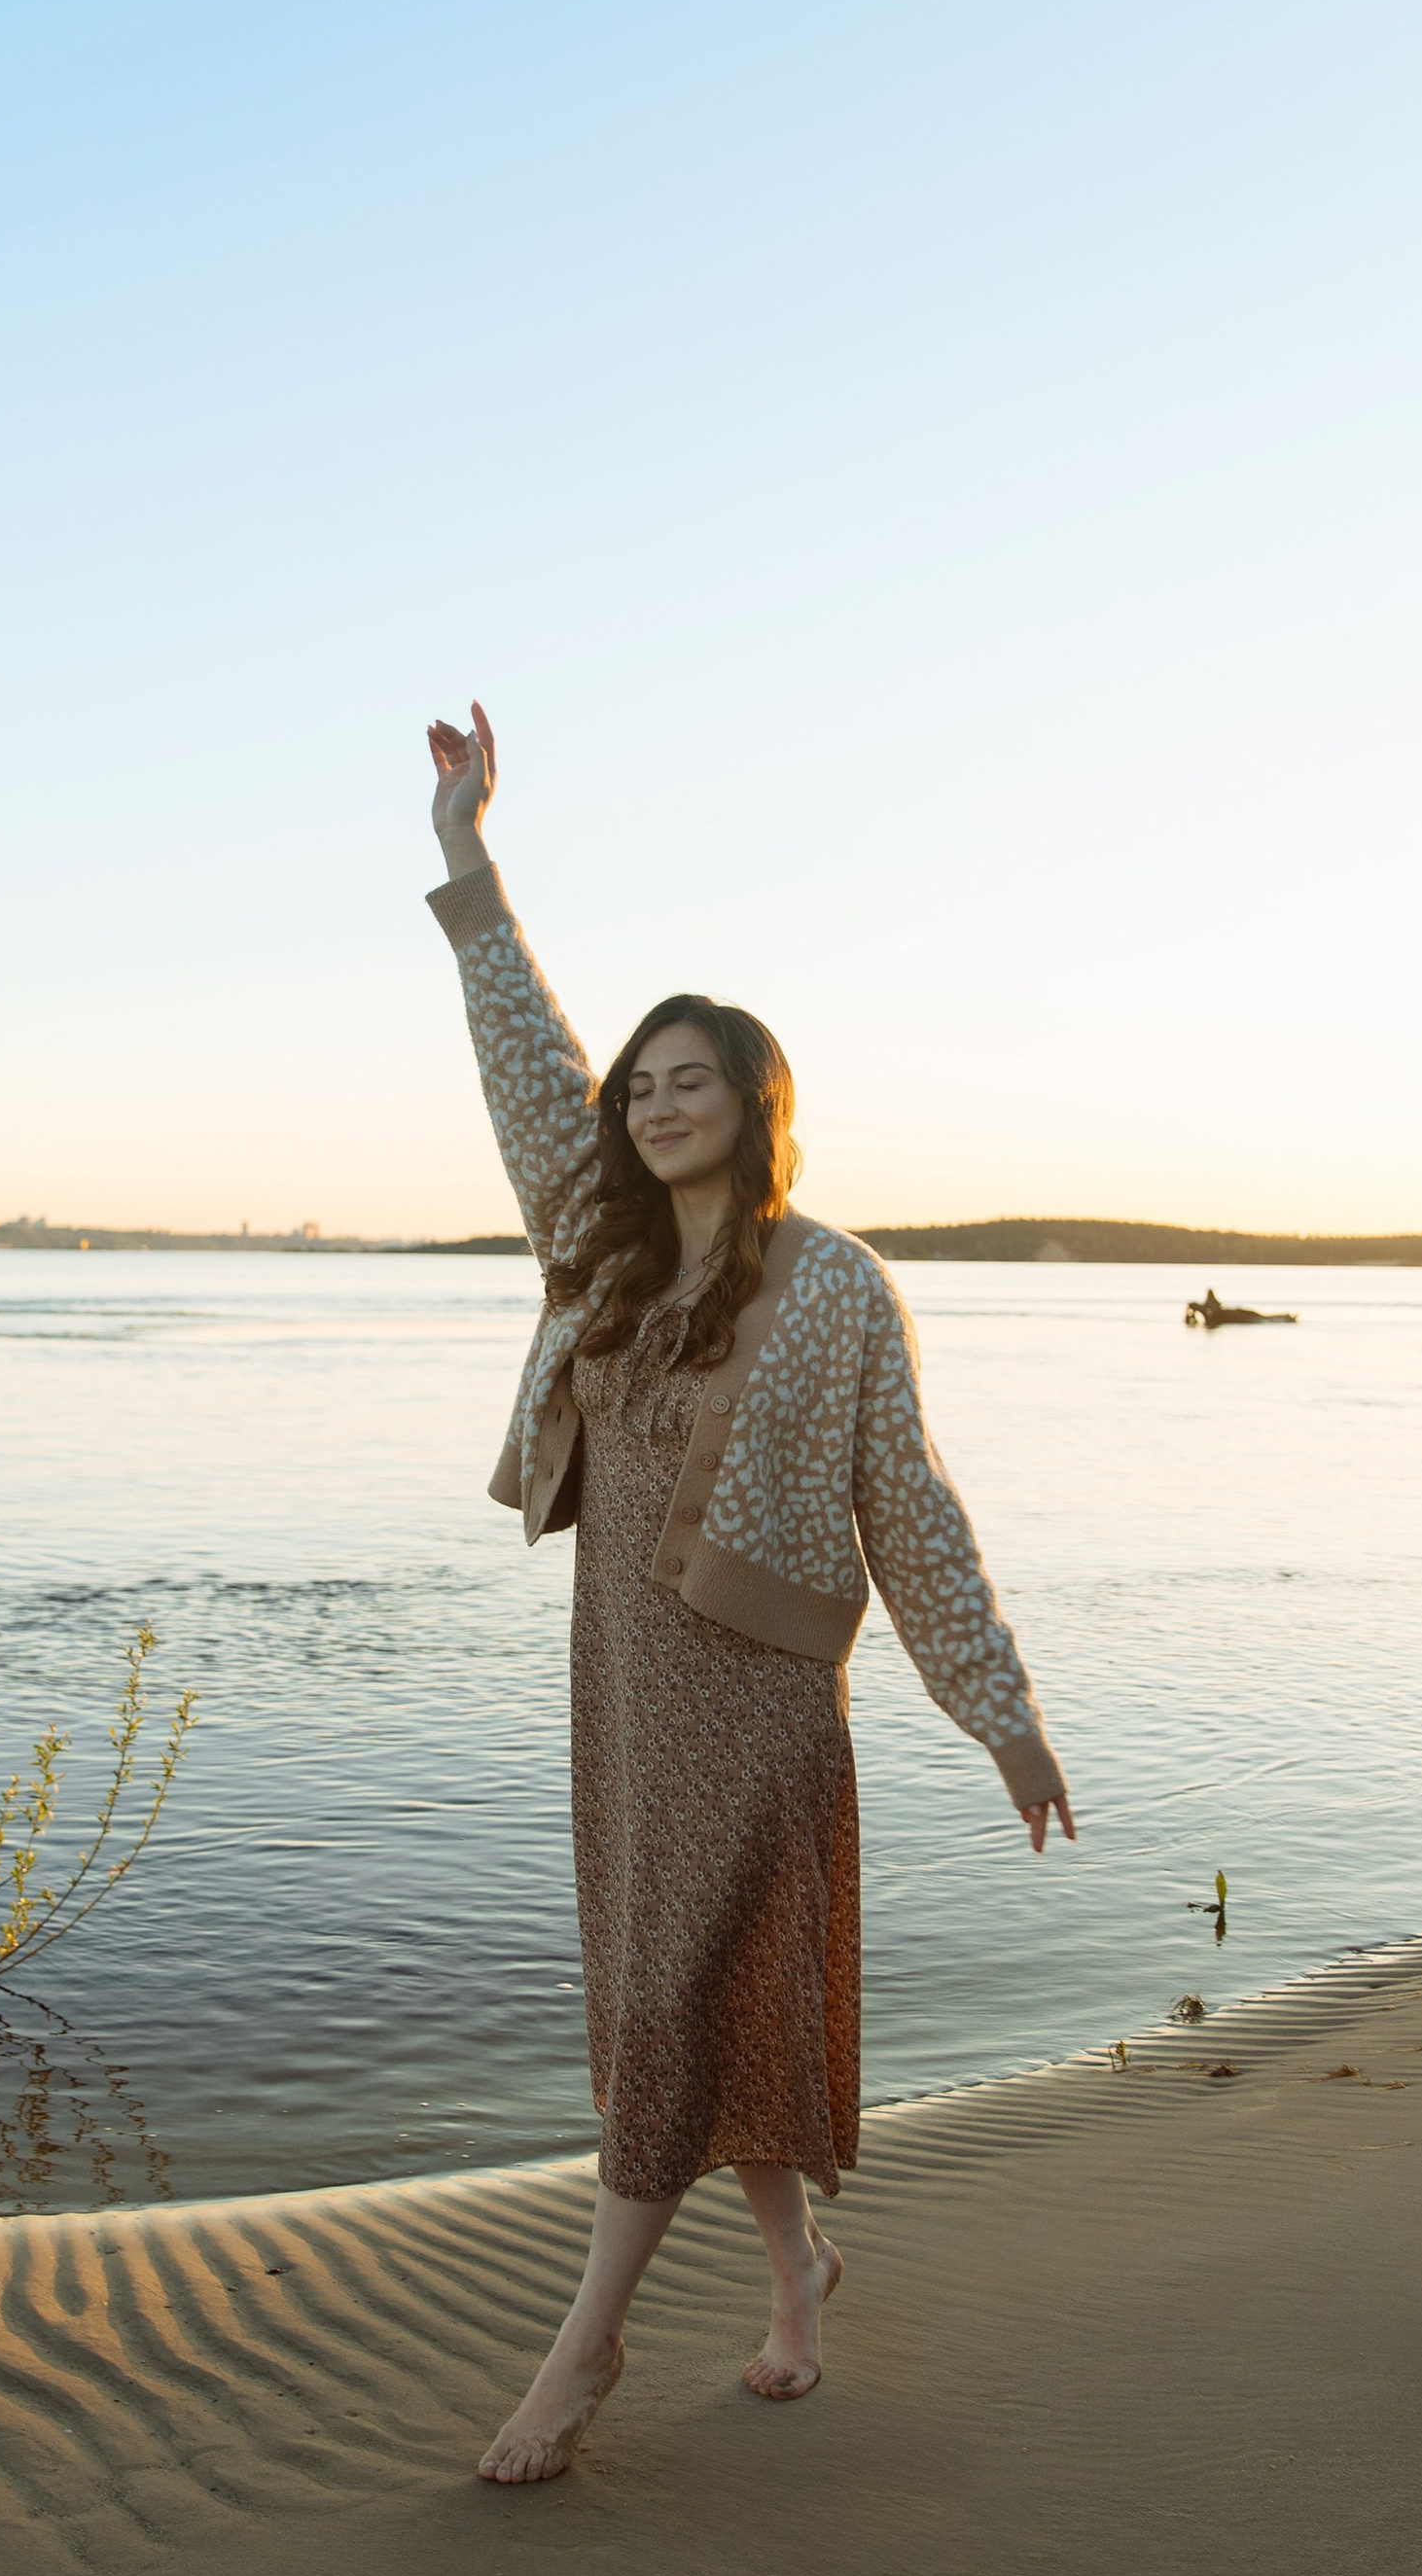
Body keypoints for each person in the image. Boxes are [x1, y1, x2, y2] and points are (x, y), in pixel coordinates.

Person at [425, 705, 1075, 2484]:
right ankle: (800, 2276)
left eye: (685, 1080)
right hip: (626, 1682)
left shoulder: (841, 1290)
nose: (648, 1104)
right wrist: (474, 858)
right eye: (637, 1087)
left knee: (671, 2004)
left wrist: (1001, 1719)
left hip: (762, 1700)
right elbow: (521, 1057)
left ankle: (586, 2347)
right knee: (704, 1998)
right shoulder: (599, 1249)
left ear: (757, 1105)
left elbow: (913, 1516)